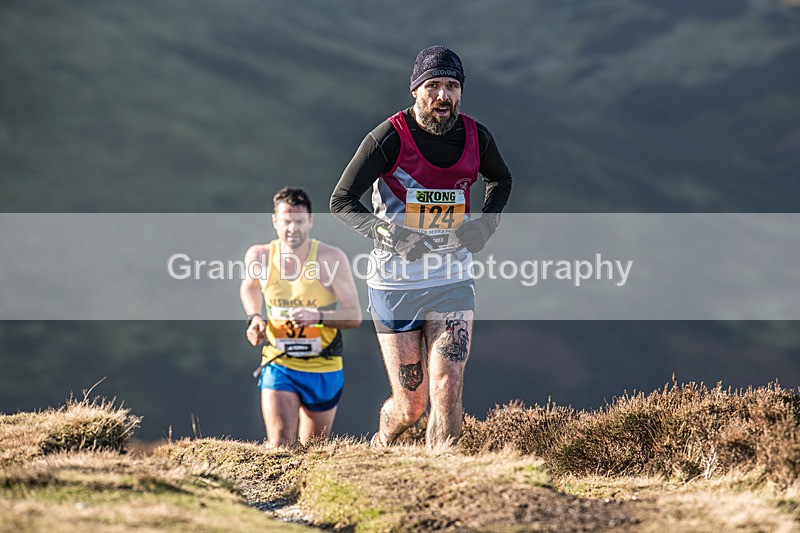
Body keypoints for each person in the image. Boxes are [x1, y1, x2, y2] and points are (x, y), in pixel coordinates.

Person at [330, 46, 513, 447]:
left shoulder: (476, 137)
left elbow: (501, 180)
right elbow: (341, 201)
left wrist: (486, 224)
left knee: (447, 389)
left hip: (452, 279)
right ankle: (381, 443)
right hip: (395, 283)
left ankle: (439, 485)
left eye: (452, 86)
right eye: (433, 86)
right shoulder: (388, 138)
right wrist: (393, 237)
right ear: (415, 91)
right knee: (411, 405)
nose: (443, 97)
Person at [240, 187, 362, 447]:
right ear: (275, 221)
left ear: (310, 221)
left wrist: (316, 316)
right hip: (279, 361)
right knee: (280, 444)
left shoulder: (331, 258)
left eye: (298, 221)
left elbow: (354, 316)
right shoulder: (259, 255)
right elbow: (249, 286)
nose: (292, 229)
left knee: (312, 451)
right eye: (285, 221)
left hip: (323, 366)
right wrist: (254, 318)